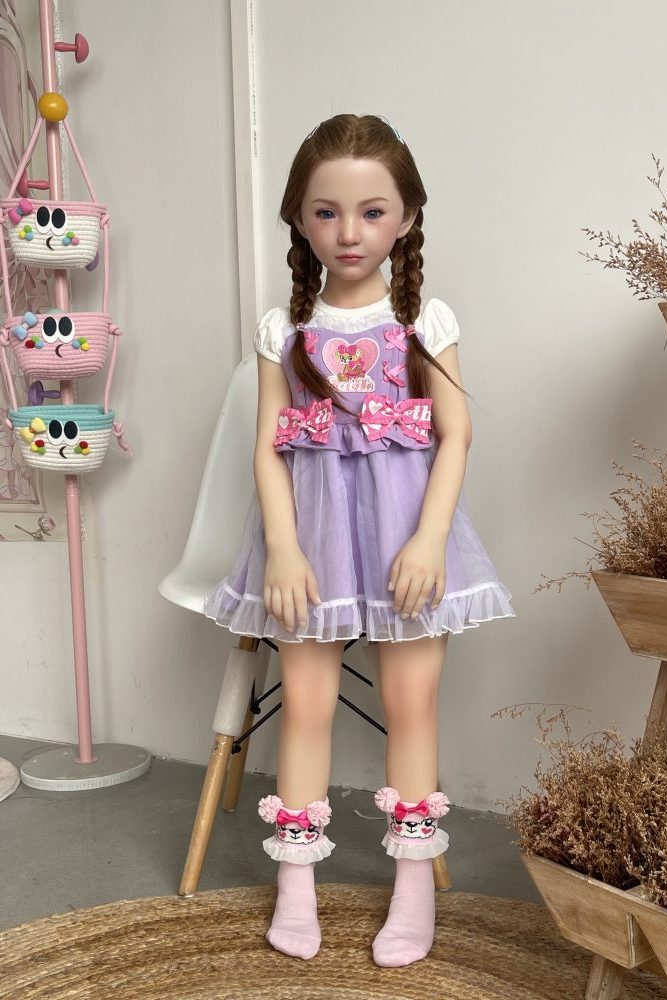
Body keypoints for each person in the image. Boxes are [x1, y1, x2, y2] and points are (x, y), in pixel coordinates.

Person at [204, 113, 515, 967]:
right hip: (313, 546)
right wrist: (282, 546)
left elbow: (456, 434)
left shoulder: (424, 320)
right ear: (299, 220)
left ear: (406, 218)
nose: (349, 231)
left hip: (407, 539)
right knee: (305, 708)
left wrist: (431, 539)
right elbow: (268, 447)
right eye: (327, 211)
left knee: (410, 706)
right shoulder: (286, 329)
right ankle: (295, 884)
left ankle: (413, 887)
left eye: (372, 212)